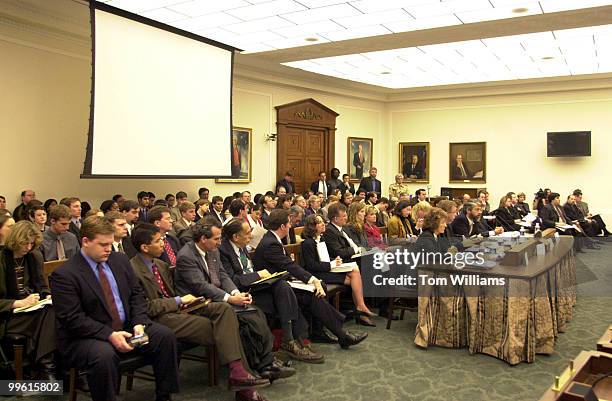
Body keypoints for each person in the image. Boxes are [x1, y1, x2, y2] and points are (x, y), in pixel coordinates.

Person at [130, 224, 277, 400]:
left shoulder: (160, 265)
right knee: (229, 328)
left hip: (184, 309)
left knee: (224, 311)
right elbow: (144, 307)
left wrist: (186, 301)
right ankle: (243, 386)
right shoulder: (132, 269)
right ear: (144, 247)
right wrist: (177, 301)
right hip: (160, 319)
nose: (164, 243)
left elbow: (217, 278)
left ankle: (239, 376)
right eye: (158, 240)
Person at [49, 216, 179, 401]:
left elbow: (136, 295)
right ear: (85, 241)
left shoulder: (119, 260)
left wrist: (139, 323)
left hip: (126, 327)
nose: (108, 249)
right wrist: (109, 335)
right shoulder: (65, 275)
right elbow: (72, 319)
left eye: (110, 243)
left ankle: (164, 395)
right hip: (86, 337)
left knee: (165, 336)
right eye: (103, 244)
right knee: (104, 356)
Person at [173, 218, 278, 374]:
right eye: (216, 239)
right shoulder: (186, 256)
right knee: (248, 316)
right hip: (197, 303)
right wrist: (229, 298)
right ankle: (261, 365)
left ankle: (265, 363)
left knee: (254, 312)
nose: (220, 242)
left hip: (215, 298)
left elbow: (222, 275)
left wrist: (236, 293)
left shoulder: (213, 250)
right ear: (203, 239)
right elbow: (200, 286)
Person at [253, 209, 368, 350]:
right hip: (272, 290)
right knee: (314, 292)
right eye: (288, 224)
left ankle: (330, 333)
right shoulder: (271, 243)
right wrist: (312, 280)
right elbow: (288, 265)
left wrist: (312, 280)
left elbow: (287, 265)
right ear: (282, 226)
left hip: (282, 283)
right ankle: (339, 334)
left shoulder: (272, 239)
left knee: (317, 289)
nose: (290, 226)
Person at [219, 218, 321, 363]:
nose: (251, 236)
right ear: (236, 237)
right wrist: (259, 274)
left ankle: (290, 340)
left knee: (283, 286)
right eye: (248, 233)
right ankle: (293, 340)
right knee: (284, 297)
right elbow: (233, 280)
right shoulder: (223, 251)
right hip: (242, 293)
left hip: (257, 286)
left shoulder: (241, 245)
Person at [0, 221, 56, 380]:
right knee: (50, 316)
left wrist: (47, 296)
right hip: (8, 315)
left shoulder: (34, 256)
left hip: (32, 310)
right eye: (25, 243)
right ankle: (48, 368)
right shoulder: (2, 259)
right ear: (15, 240)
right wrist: (16, 303)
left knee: (53, 310)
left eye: (32, 243)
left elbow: (41, 286)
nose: (29, 247)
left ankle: (47, 369)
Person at [300, 214, 375, 327]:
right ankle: (360, 308)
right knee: (355, 279)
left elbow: (323, 257)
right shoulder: (308, 243)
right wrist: (331, 264)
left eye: (323, 221)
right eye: (319, 222)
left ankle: (360, 307)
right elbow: (311, 266)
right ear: (312, 226)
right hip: (317, 274)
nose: (323, 224)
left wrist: (334, 260)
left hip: (327, 268)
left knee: (354, 271)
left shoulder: (321, 238)